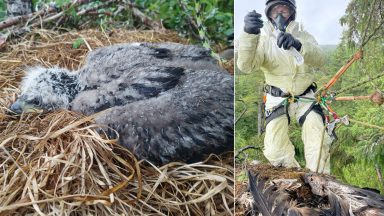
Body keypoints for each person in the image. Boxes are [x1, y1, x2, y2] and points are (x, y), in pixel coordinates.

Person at [237, 0, 332, 174]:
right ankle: (293, 178)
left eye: (285, 10)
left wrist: (298, 45)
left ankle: (321, 181)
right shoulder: (263, 41)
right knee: (275, 150)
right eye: (275, 11)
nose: (280, 14)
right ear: (269, 14)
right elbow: (246, 66)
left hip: (306, 97)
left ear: (292, 13)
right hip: (277, 98)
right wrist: (249, 35)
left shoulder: (304, 37)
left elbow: (321, 59)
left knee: (318, 140)